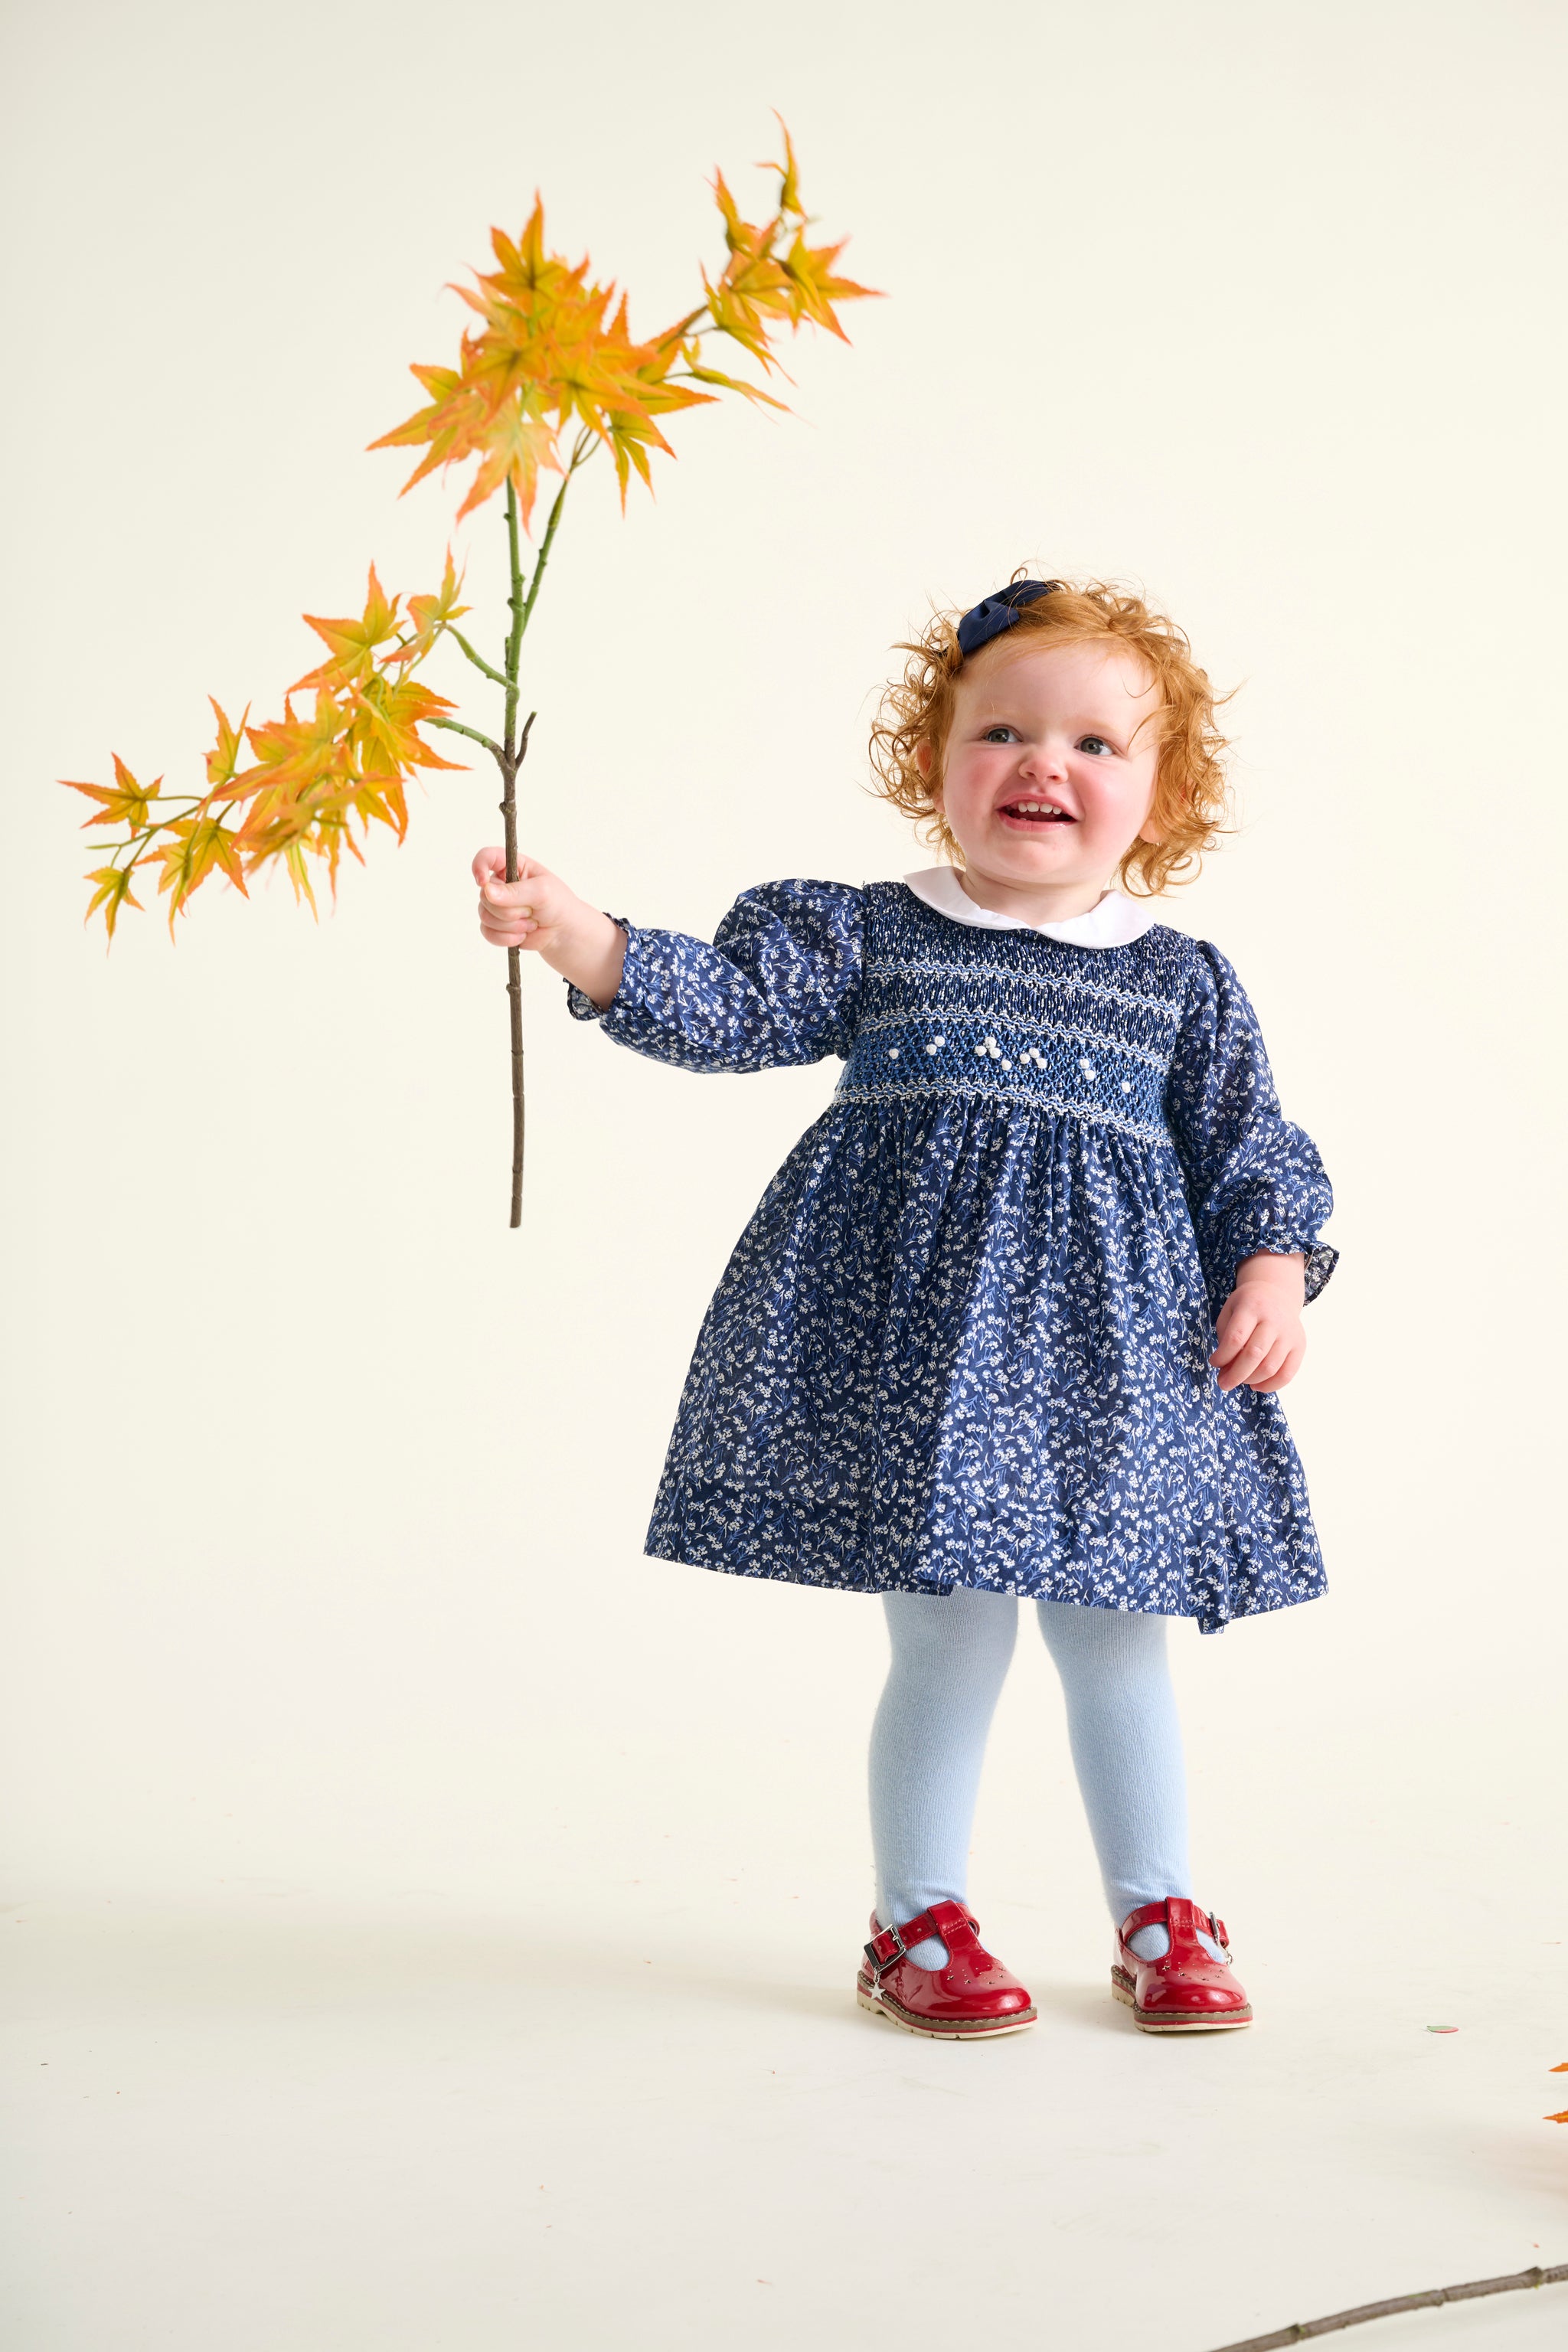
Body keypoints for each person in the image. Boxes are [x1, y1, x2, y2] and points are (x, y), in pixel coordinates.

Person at [472, 576, 1336, 2042]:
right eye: (998, 729)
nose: (1041, 765)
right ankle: (914, 1917)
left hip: (1112, 1372)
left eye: (1094, 745)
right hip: (921, 1361)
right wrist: (580, 935)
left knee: (1114, 1632)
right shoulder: (875, 935)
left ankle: (1160, 1909)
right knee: (946, 1638)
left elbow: (1252, 1150)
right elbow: (730, 1003)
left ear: (1163, 792)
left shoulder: (1180, 985)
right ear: (931, 759)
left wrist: (1270, 1268)